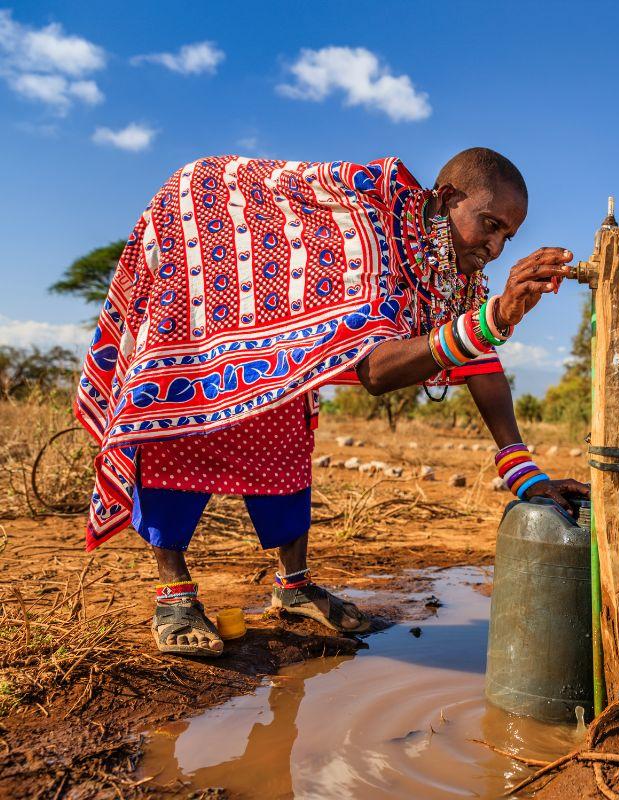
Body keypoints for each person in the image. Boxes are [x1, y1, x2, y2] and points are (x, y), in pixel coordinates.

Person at [75, 148, 586, 657]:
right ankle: (173, 594)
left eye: (507, 237)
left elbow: (481, 362)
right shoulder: (374, 230)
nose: (495, 248)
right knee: (184, 414)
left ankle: (293, 587)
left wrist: (524, 473)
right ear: (449, 199)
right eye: (490, 225)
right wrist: (494, 318)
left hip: (272, 317)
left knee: (284, 433)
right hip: (212, 257)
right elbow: (375, 369)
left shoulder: (457, 273)